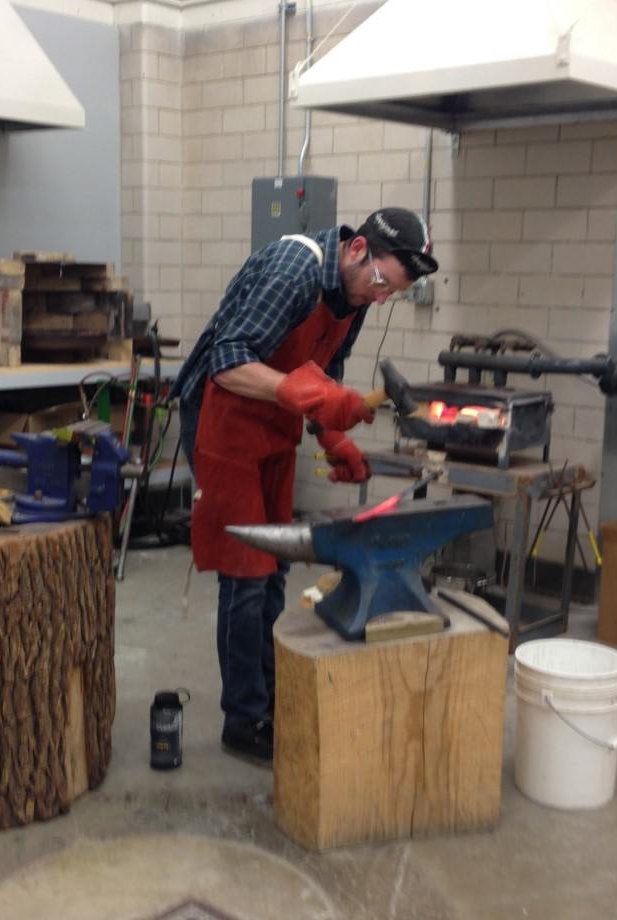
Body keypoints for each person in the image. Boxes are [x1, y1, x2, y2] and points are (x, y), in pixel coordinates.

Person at [174, 207, 439, 764]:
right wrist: (304, 398)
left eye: (393, 291)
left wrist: (332, 435)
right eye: (383, 282)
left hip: (271, 426)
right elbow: (227, 361)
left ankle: (269, 696)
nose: (382, 297)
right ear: (359, 248)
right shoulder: (297, 268)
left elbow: (324, 373)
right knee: (246, 574)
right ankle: (243, 720)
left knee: (275, 570)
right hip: (223, 421)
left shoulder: (354, 297)